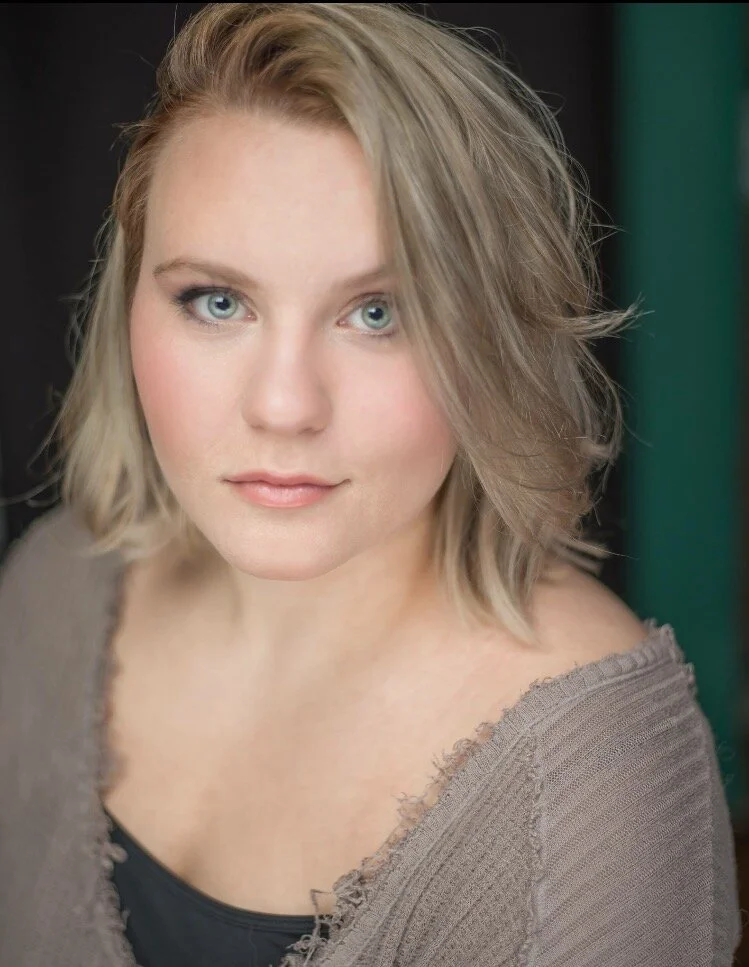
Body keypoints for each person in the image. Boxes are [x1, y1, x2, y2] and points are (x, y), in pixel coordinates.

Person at [0, 3, 741, 966]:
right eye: (216, 301)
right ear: (130, 301)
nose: (284, 405)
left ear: (490, 335)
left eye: (378, 313)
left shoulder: (590, 772)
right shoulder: (52, 592)